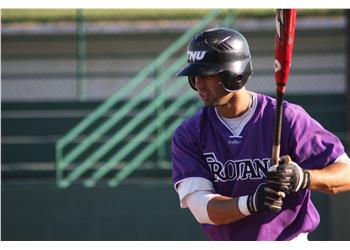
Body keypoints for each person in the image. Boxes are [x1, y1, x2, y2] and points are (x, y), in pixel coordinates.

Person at [171, 27, 350, 241]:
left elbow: (345, 174)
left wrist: (303, 177)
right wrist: (251, 202)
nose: (198, 84)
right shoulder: (190, 133)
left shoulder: (286, 117)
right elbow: (202, 209)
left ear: (234, 73)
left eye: (206, 74)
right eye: (194, 75)